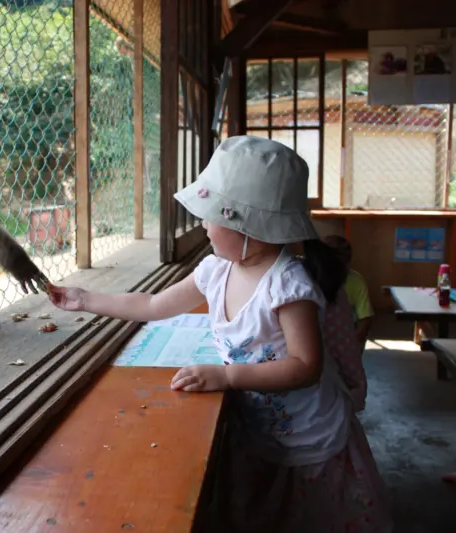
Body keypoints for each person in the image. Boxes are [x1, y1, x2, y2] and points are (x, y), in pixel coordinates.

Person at [49, 136, 391, 532]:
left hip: (309, 439)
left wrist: (227, 375)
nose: (204, 224)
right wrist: (85, 299)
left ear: (252, 228)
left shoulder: (287, 285)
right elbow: (152, 305)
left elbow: (305, 366)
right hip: (259, 429)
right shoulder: (216, 271)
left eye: (213, 215)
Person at [323, 235, 375, 352]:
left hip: (348, 339)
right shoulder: (311, 279)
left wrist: (351, 344)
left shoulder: (356, 280)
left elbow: (365, 320)